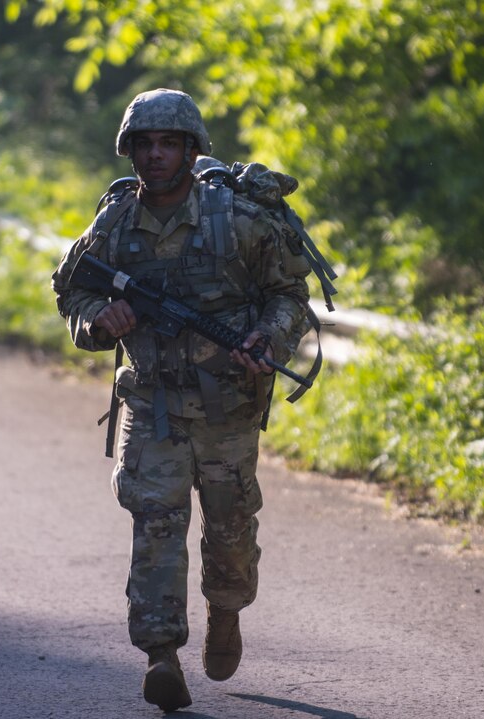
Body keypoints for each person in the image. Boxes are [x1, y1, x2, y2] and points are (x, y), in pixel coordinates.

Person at [51, 88, 312, 712]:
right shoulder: (113, 225)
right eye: (146, 144)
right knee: (156, 526)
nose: (157, 155)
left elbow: (290, 297)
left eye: (170, 143)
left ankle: (226, 612)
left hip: (228, 408)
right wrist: (101, 318)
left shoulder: (238, 221)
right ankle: (161, 655)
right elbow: (70, 293)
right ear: (131, 150)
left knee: (229, 530)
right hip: (153, 405)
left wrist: (265, 337)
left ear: (192, 151)